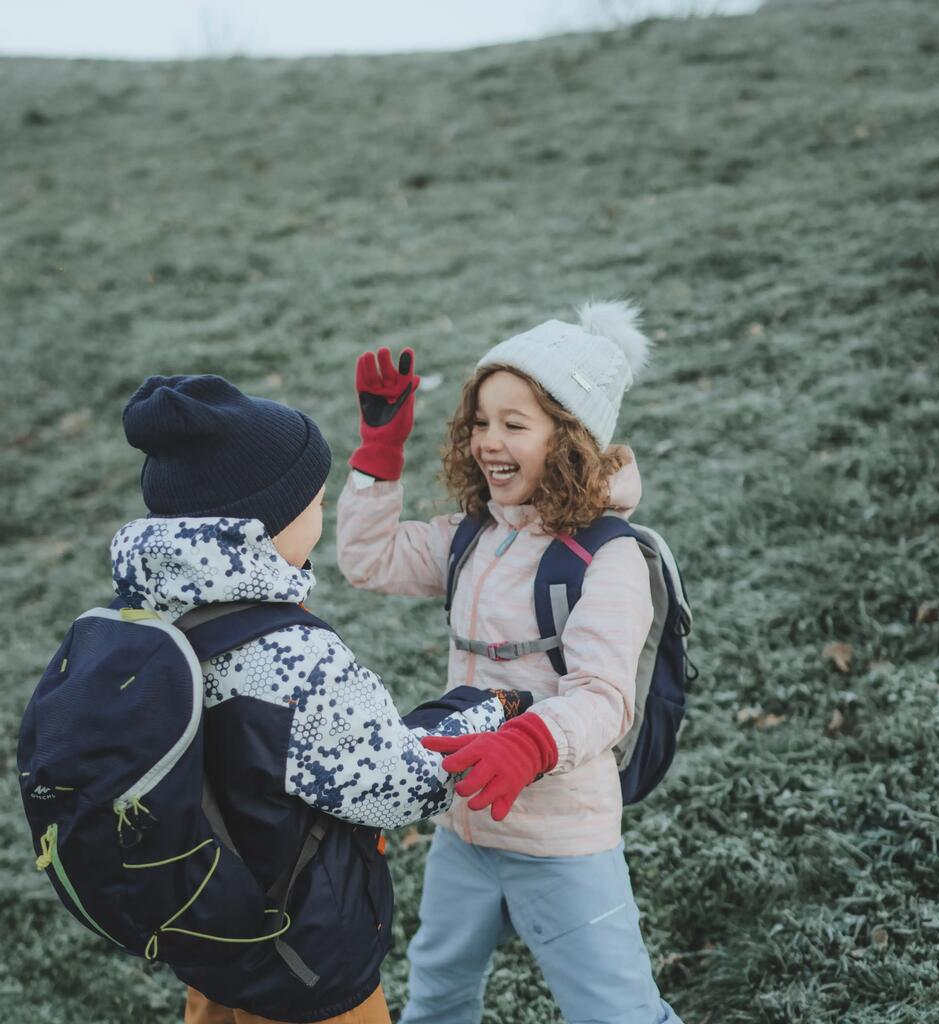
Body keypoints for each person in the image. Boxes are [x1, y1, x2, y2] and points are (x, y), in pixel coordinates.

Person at [115, 374, 532, 1024]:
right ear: (263, 523)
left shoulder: (146, 605)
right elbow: (397, 785)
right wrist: (485, 711)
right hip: (298, 954)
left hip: (204, 924)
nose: (320, 511)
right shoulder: (291, 659)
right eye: (314, 499)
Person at [336, 302, 683, 1023]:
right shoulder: (474, 537)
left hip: (561, 836)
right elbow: (367, 560)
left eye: (515, 425)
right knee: (437, 994)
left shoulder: (607, 557)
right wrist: (379, 453)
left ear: (570, 440)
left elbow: (604, 696)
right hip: (464, 828)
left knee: (617, 1012)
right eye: (480, 422)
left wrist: (527, 743)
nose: (488, 441)